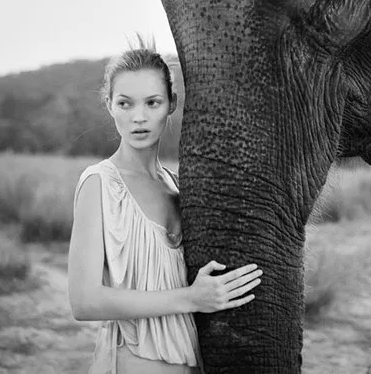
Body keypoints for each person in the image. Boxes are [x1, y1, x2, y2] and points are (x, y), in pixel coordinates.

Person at [68, 38, 262, 373]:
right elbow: (84, 301)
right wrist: (191, 298)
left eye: (152, 103)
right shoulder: (99, 183)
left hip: (190, 361)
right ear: (109, 105)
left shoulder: (177, 186)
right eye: (125, 104)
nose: (138, 118)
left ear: (171, 104)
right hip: (131, 364)